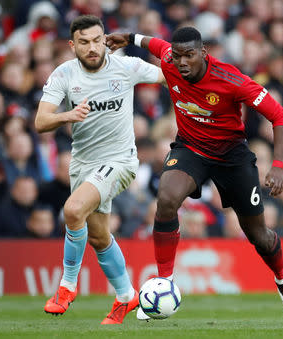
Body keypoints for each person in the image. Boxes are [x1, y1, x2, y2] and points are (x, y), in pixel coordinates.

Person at [106, 26, 283, 320]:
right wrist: (131, 38)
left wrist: (278, 166)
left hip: (232, 157)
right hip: (191, 149)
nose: (182, 62)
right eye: (178, 55)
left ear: (203, 53)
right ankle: (164, 281)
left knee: (258, 235)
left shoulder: (232, 80)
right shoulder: (170, 60)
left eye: (189, 55)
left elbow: (279, 115)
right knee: (166, 199)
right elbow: (157, 44)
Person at [34, 15, 164, 325]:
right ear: (72, 45)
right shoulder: (64, 74)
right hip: (83, 163)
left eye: (97, 40)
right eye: (84, 42)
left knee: (72, 210)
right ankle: (126, 296)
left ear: (104, 38)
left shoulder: (127, 66)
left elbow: (170, 75)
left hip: (120, 161)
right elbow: (41, 122)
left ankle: (66, 286)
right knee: (99, 237)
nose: (92, 48)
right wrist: (68, 115)